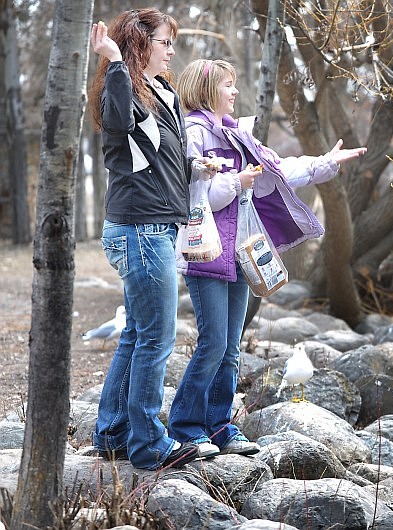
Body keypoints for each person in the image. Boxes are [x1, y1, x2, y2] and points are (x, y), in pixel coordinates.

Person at [168, 59, 366, 457]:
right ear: (207, 90)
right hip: (207, 252)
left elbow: (278, 170)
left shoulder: (237, 133)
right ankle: (187, 427)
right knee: (213, 342)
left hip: (241, 251)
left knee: (230, 345)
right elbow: (193, 197)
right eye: (228, 85)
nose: (235, 92)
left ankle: (220, 426)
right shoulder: (192, 133)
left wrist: (325, 162)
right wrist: (233, 182)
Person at [88, 9, 212, 470]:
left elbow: (160, 159)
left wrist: (196, 170)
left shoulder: (164, 93)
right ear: (142, 46)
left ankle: (113, 433)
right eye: (164, 41)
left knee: (138, 335)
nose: (171, 50)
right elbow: (119, 124)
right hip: (139, 229)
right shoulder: (121, 90)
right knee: (157, 338)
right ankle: (149, 446)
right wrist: (116, 62)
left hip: (155, 226)